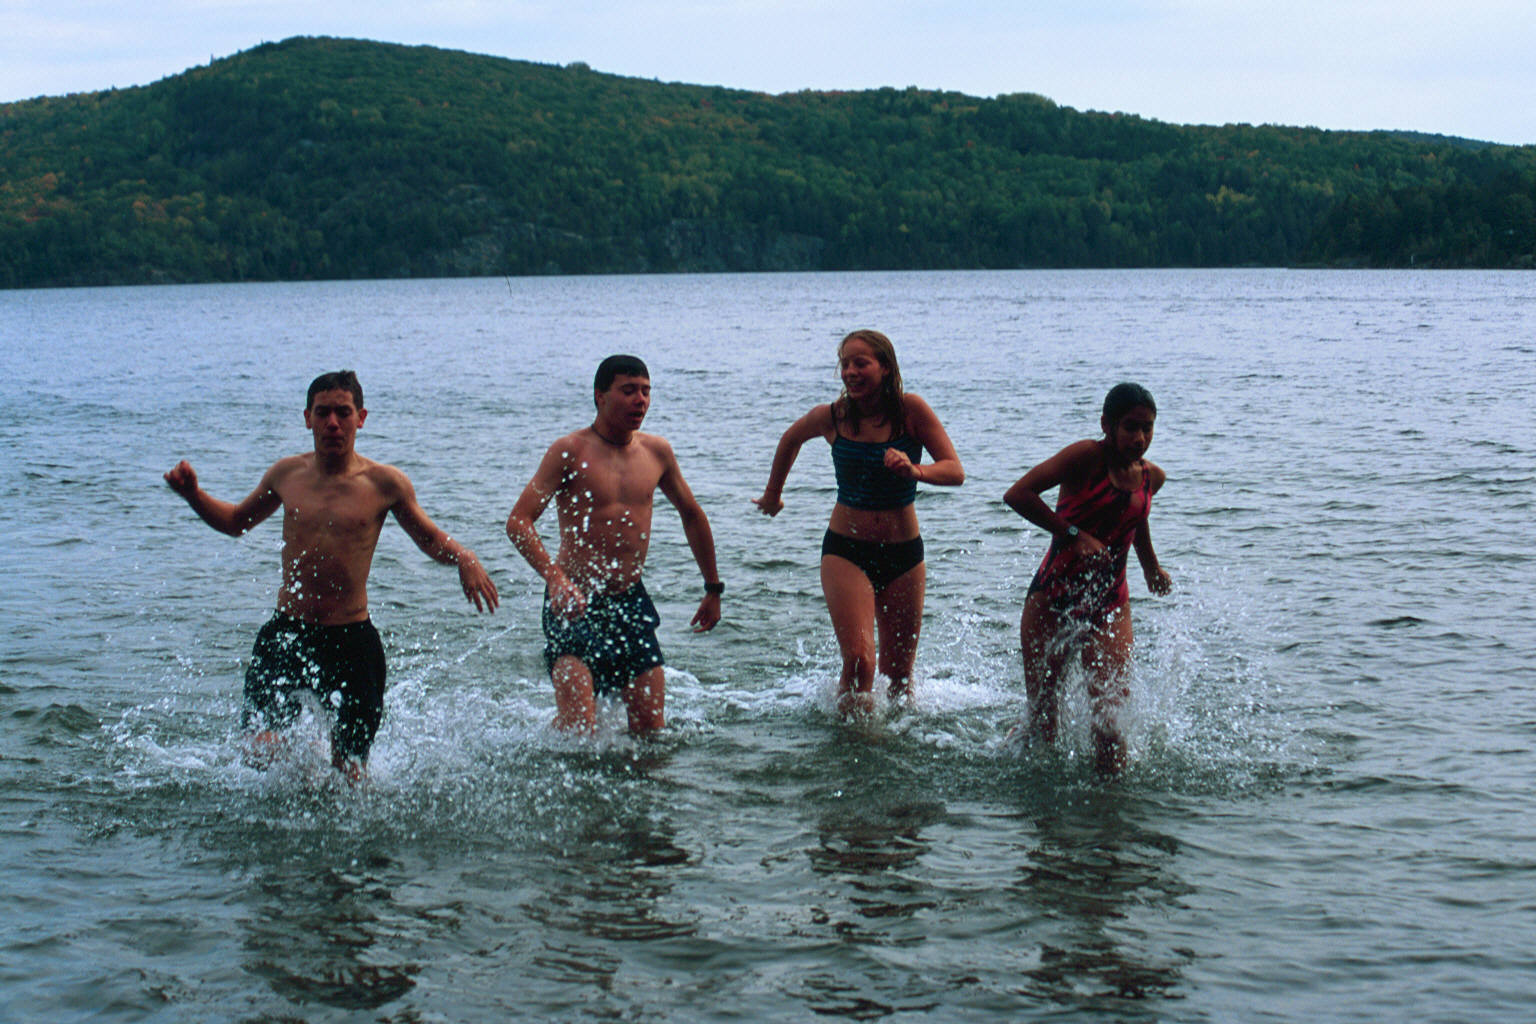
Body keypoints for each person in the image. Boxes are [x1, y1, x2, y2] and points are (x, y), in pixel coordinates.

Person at [164, 370, 499, 781]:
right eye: (323, 413)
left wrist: (464, 557)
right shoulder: (286, 475)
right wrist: (193, 496)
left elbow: (427, 537)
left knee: (350, 774)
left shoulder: (385, 483)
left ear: (361, 417)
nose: (333, 423)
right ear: (308, 418)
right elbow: (236, 522)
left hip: (352, 642)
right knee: (259, 748)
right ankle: (304, 771)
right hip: (288, 634)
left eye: (343, 412)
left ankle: (331, 792)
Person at [506, 355, 723, 735]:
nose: (640, 400)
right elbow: (519, 521)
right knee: (579, 730)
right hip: (573, 601)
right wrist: (555, 579)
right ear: (600, 396)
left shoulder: (657, 452)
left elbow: (691, 514)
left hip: (629, 598)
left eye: (646, 391)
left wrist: (713, 588)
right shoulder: (570, 450)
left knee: (651, 731)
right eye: (628, 391)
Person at [753, 329, 964, 716]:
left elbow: (954, 471)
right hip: (846, 550)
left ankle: (895, 745)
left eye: (860, 363)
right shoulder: (832, 416)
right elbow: (790, 439)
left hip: (904, 555)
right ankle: (853, 742)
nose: (850, 371)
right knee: (859, 663)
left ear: (885, 368)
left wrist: (915, 470)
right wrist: (772, 495)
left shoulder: (911, 411)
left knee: (899, 677)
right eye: (845, 364)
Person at [1003, 382, 1171, 775]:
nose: (1140, 438)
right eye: (1130, 427)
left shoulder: (1152, 477)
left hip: (1110, 604)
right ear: (1106, 425)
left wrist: (1151, 567)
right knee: (1045, 722)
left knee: (1111, 723)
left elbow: (1135, 518)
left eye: (1147, 428)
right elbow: (1018, 494)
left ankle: (1111, 807)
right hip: (1052, 599)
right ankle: (1032, 780)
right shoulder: (1085, 458)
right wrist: (1073, 534)